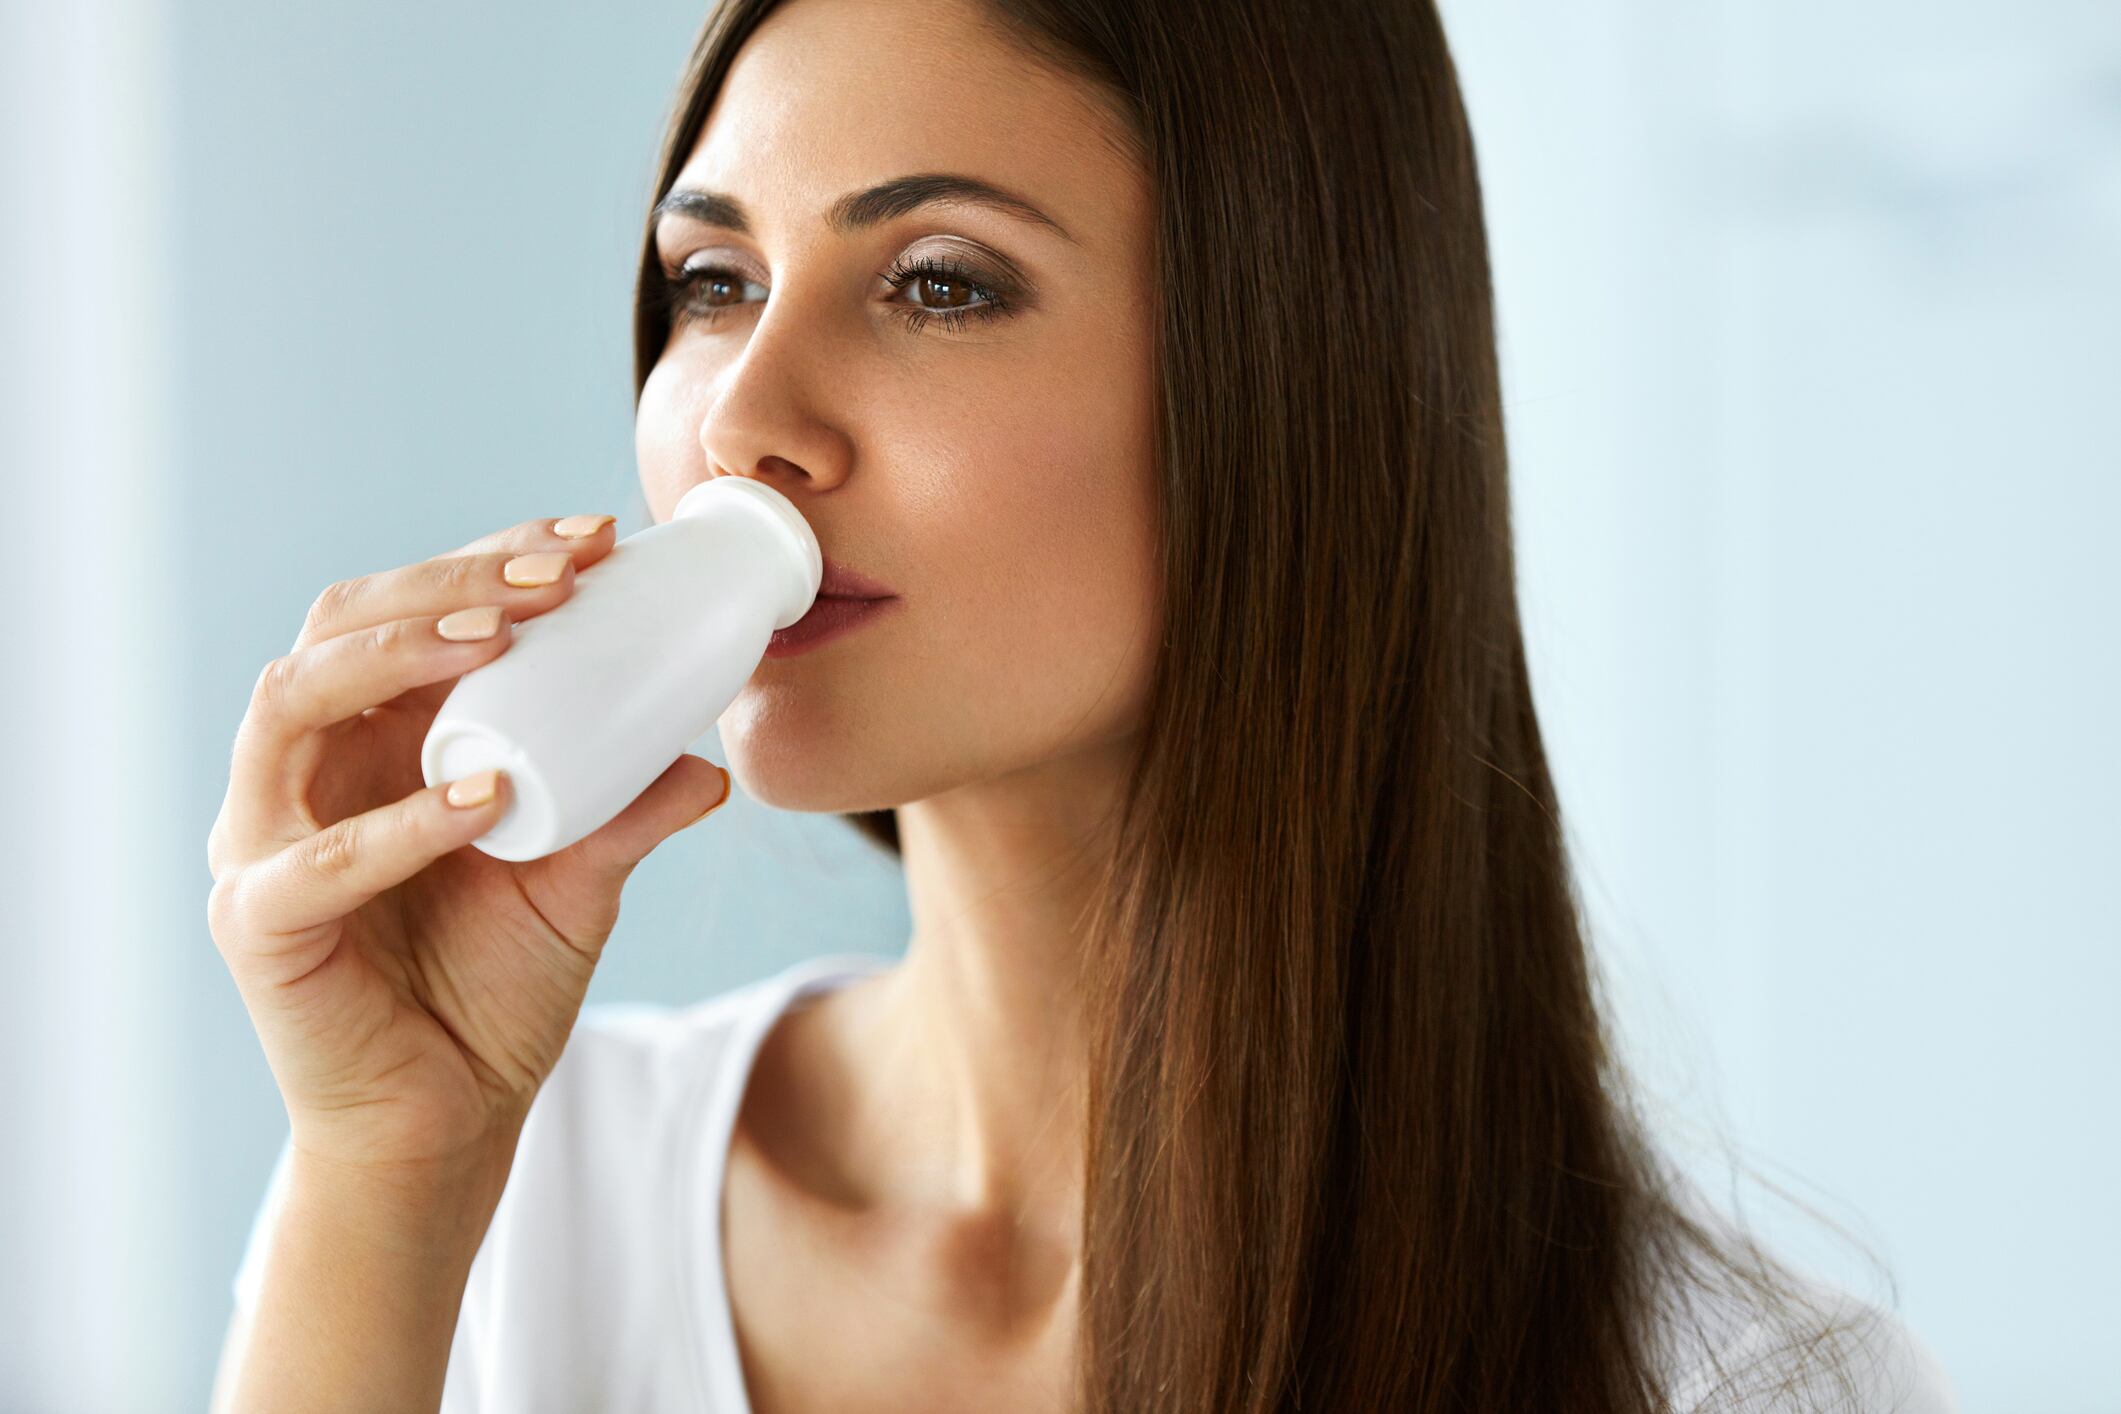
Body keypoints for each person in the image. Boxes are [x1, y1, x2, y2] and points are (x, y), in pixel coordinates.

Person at [207, 0, 1960, 1409]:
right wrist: (387, 1173)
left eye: (939, 285)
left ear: (1287, 389)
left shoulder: (1744, 1382)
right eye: (714, 282)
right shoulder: (509, 1204)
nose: (743, 417)